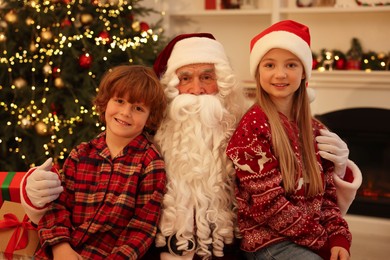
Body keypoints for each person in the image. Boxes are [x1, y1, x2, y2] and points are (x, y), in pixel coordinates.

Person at [21, 33, 361, 260]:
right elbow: (83, 187)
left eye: (207, 76)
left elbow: (305, 196)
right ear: (171, 87)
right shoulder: (146, 133)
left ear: (223, 83)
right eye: (185, 78)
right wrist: (35, 194)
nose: (197, 90)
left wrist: (340, 168)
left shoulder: (247, 129)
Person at [226, 20, 354, 260]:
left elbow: (327, 197)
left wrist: (338, 237)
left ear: (304, 71)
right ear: (258, 71)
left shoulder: (316, 130)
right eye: (270, 65)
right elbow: (269, 206)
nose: (280, 74)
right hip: (268, 242)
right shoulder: (251, 128)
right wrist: (321, 242)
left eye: (291, 64)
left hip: (308, 238)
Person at [31, 65, 167, 259]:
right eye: (119, 101)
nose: (126, 112)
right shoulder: (80, 154)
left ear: (150, 117)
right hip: (62, 250)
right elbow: (57, 206)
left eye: (138, 108)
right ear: (105, 103)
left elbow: (142, 228)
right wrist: (60, 247)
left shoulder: (150, 163)